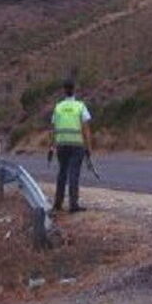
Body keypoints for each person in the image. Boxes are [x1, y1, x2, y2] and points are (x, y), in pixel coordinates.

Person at [50, 79, 93, 213]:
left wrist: (52, 146)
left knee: (62, 173)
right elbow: (85, 128)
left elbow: (53, 128)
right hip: (77, 145)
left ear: (64, 90)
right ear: (74, 89)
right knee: (74, 174)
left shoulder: (58, 107)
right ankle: (73, 204)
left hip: (61, 145)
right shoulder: (80, 106)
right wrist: (88, 147)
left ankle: (58, 203)